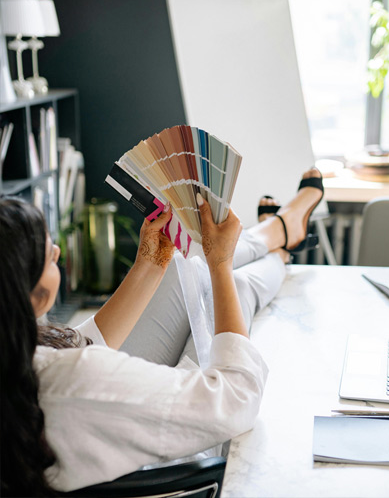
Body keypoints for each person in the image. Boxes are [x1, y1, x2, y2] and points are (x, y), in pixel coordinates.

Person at [0, 168, 323, 496]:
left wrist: (150, 260)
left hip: (92, 421)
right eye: (44, 253)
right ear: (24, 292)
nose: (55, 251)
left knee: (183, 265)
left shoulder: (16, 352)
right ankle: (281, 245)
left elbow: (78, 346)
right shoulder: (71, 383)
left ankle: (277, 234)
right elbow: (236, 397)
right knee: (231, 287)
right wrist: (222, 265)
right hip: (165, 466)